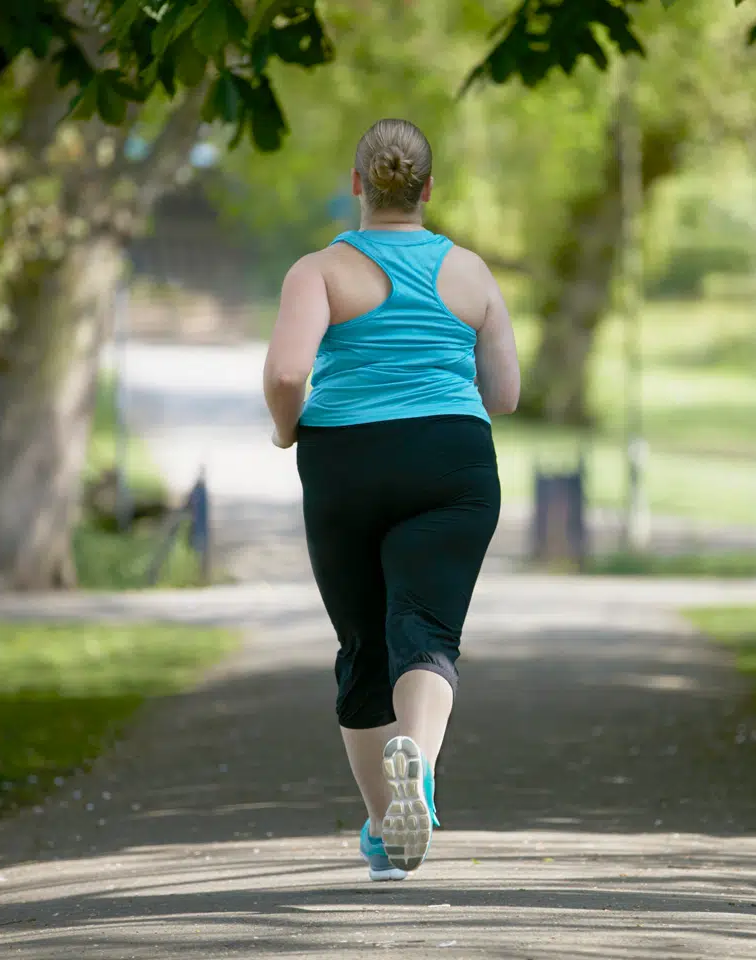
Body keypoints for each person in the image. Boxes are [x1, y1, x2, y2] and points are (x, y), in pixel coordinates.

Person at [261, 118, 520, 882]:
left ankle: (384, 829)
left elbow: (287, 374)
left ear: (358, 185)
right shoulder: (470, 272)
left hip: (346, 462)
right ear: (428, 188)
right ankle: (420, 760)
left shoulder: (320, 271)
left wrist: (286, 431)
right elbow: (505, 393)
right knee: (426, 630)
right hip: (452, 462)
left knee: (364, 645)